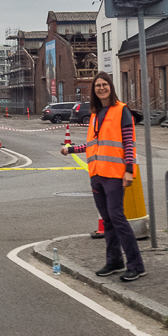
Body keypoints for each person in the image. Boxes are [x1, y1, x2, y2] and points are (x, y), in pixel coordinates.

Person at [61, 72, 145, 282]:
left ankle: (136, 264)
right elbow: (93, 145)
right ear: (94, 90)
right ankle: (114, 261)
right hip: (97, 174)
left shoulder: (121, 110)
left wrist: (129, 170)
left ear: (111, 87)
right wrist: (71, 150)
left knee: (118, 218)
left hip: (115, 175)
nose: (101, 88)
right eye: (98, 85)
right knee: (107, 220)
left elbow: (128, 144)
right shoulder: (95, 113)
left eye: (104, 84)